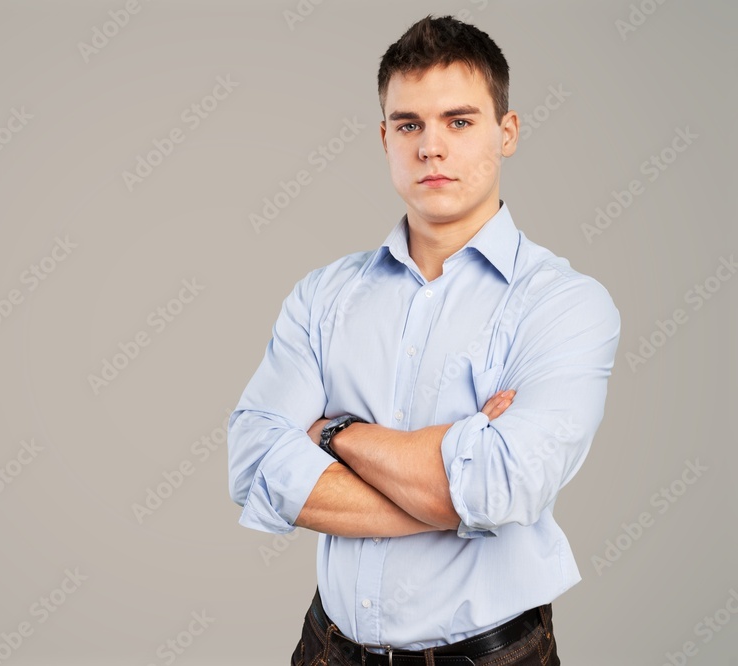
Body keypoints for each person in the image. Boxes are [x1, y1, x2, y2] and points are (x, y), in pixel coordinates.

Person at [227, 14, 621, 665]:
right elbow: (252, 461)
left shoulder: (565, 305)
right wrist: (451, 488)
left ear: (508, 132)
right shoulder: (324, 296)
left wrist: (334, 433)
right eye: (409, 125)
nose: (430, 147)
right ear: (385, 138)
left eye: (458, 122)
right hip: (327, 649)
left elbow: (499, 487)